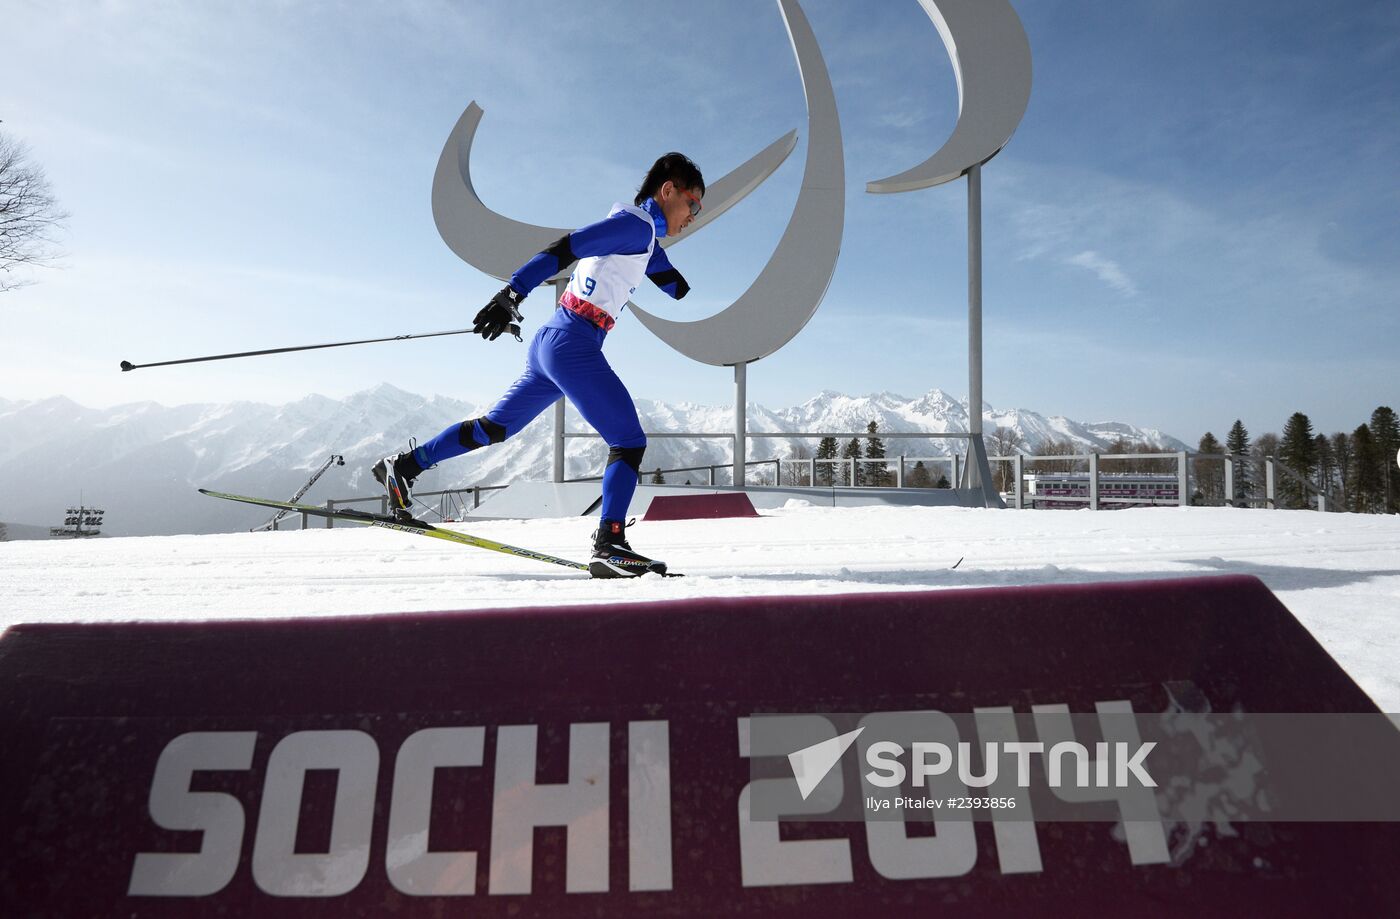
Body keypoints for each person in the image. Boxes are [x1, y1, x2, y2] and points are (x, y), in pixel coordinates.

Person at [373, 152, 705, 578]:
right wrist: (512, 293)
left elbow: (667, 277)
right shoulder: (635, 227)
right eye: (693, 204)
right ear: (668, 190)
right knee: (628, 441)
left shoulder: (641, 237)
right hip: (574, 344)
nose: (695, 215)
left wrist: (679, 285)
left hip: (554, 341)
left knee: (494, 428)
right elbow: (566, 247)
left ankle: (403, 467)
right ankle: (611, 544)